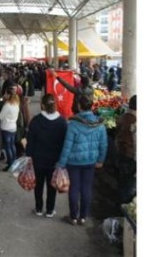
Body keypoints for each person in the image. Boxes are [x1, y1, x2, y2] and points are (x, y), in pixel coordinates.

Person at [57, 95, 108, 225]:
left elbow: (67, 146)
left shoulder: (73, 124)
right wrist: (100, 160)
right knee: (86, 188)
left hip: (73, 162)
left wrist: (61, 164)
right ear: (91, 106)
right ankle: (83, 217)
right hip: (90, 161)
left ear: (79, 106)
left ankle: (73, 217)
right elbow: (104, 145)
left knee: (74, 188)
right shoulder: (100, 125)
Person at [26, 94, 67, 217]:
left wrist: (29, 156)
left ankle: (38, 208)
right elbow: (65, 143)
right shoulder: (62, 122)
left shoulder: (36, 121)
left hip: (38, 159)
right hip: (54, 161)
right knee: (51, 186)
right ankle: (50, 210)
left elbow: (30, 141)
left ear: (42, 105)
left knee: (38, 185)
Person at [115, 95, 136, 203]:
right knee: (128, 183)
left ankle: (120, 201)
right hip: (130, 155)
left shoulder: (122, 117)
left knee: (122, 179)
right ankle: (124, 205)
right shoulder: (135, 121)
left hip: (121, 152)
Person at [0, 86, 20, 171]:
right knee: (12, 145)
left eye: (5, 93)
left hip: (6, 127)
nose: (4, 95)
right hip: (13, 127)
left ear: (8, 95)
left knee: (8, 147)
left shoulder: (7, 105)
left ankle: (10, 164)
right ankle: (14, 161)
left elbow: (0, 116)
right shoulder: (16, 103)